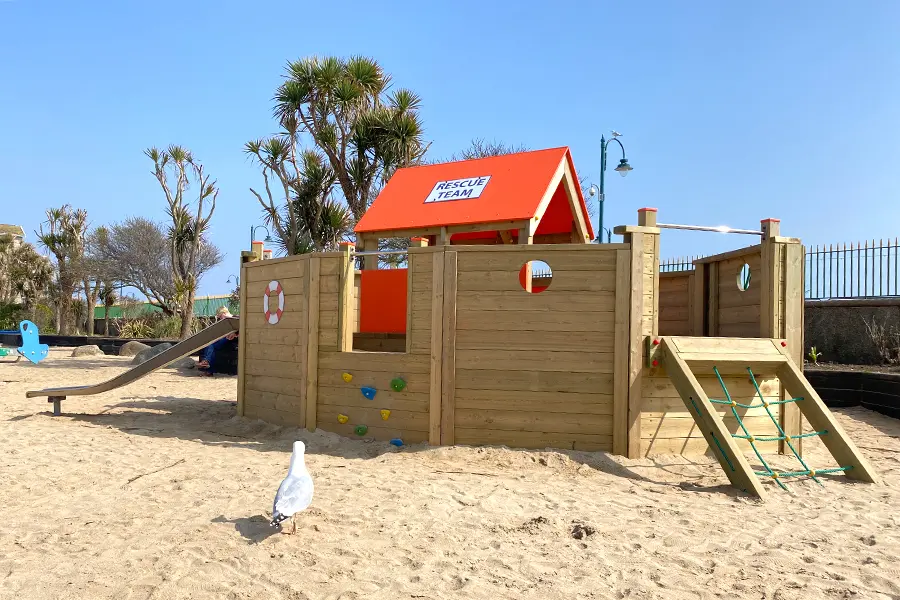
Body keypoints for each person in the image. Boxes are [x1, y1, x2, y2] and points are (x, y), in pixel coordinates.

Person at [198, 307, 238, 376]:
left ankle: (207, 366)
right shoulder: (224, 322)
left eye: (220, 316)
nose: (220, 318)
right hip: (226, 339)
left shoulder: (236, 318)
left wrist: (235, 333)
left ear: (224, 313)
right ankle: (207, 366)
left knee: (211, 345)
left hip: (234, 340)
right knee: (211, 345)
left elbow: (243, 328)